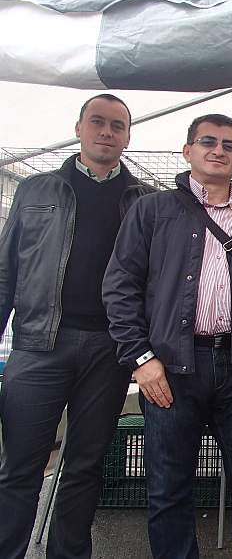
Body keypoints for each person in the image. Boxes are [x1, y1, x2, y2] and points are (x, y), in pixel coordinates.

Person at [102, 113, 232, 559]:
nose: (218, 150)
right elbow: (120, 285)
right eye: (208, 141)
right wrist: (141, 358)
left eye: (229, 145)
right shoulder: (152, 210)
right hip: (171, 367)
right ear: (188, 151)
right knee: (168, 487)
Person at [0, 94, 154, 559]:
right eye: (98, 122)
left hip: (109, 348)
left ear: (128, 136)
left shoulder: (144, 200)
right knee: (20, 466)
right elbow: (6, 270)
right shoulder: (36, 190)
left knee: (85, 467)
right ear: (79, 128)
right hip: (38, 344)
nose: (107, 132)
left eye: (117, 125)